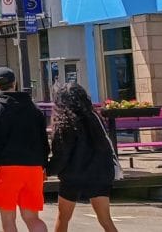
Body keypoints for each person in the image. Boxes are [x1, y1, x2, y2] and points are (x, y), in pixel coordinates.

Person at [0, 67, 49, 232]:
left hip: (6, 169)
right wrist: (43, 165)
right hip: (33, 169)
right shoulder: (34, 109)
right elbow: (44, 142)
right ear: (15, 83)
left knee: (8, 219)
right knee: (32, 218)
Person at [48, 83, 119, 232]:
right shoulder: (94, 117)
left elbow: (61, 156)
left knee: (63, 218)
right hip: (100, 173)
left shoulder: (64, 122)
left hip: (74, 176)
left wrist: (48, 170)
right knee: (105, 220)